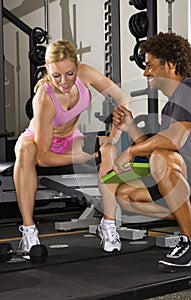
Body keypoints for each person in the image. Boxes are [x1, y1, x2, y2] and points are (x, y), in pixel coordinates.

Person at [103, 32, 191, 272]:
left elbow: (172, 142)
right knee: (125, 195)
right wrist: (130, 126)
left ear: (170, 64)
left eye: (149, 65)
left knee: (161, 157)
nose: (145, 72)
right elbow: (161, 144)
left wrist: (132, 151)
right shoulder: (172, 105)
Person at [14, 39, 128, 257]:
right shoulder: (44, 98)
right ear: (47, 70)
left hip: (70, 138)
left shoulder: (86, 74)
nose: (64, 81)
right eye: (56, 76)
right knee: (25, 151)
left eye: (69, 74)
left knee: (109, 151)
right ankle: (29, 231)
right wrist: (83, 157)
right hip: (39, 143)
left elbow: (121, 98)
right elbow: (44, 158)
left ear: (77, 66)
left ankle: (109, 225)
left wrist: (113, 136)